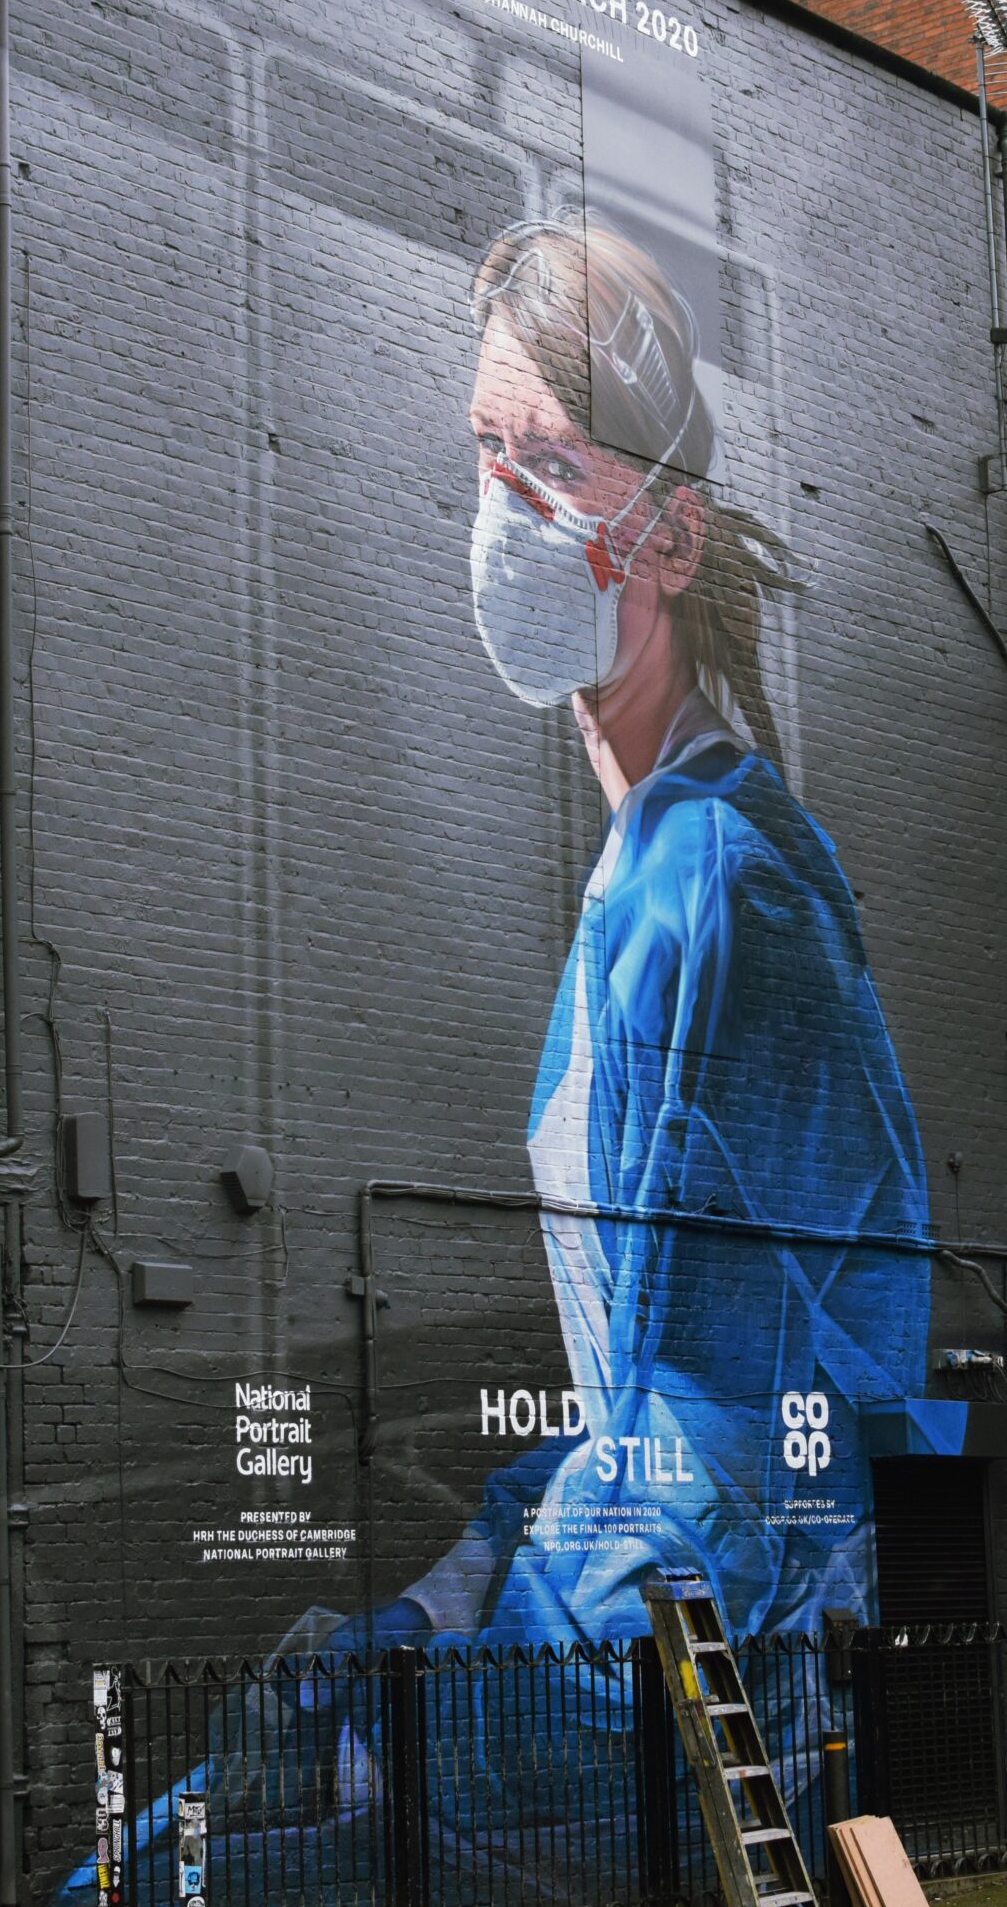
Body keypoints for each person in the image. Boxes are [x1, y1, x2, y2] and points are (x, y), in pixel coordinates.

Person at [378, 216, 935, 1647]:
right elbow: (635, 1393)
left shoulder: (717, 889)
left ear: (673, 538)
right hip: (635, 1602)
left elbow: (720, 1433)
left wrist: (449, 1705)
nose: (503, 505)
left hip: (684, 1682)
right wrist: (472, 1564)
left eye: (554, 463)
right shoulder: (654, 858)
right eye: (486, 451)